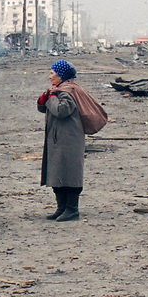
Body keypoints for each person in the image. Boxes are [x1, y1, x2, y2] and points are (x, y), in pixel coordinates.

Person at [36, 58, 106, 221]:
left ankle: (72, 209)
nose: (50, 76)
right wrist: (46, 98)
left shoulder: (67, 91)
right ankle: (61, 208)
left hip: (68, 140)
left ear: (61, 75)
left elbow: (61, 110)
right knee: (57, 173)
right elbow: (45, 107)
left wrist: (51, 97)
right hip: (59, 139)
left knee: (69, 174)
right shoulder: (60, 89)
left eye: (52, 73)